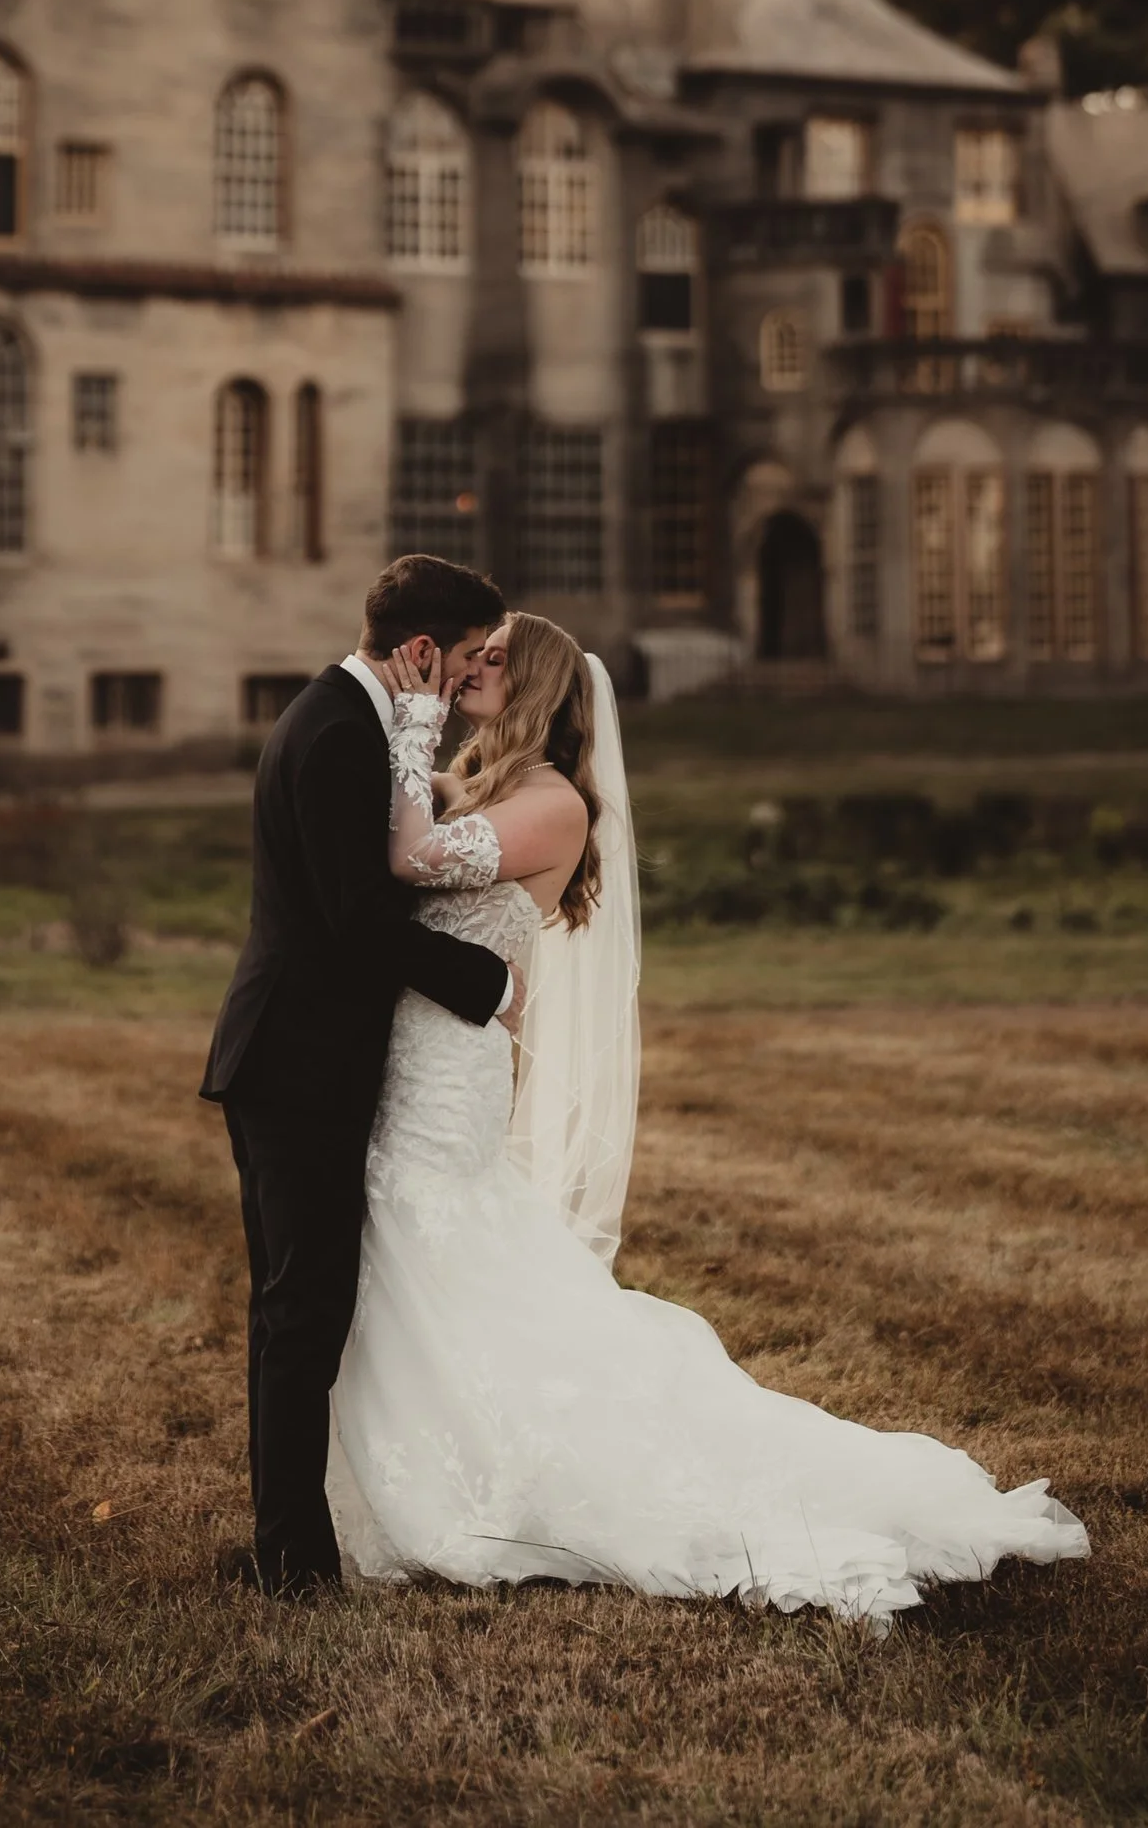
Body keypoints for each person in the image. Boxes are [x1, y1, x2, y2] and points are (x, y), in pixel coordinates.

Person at [324, 611, 1091, 1623]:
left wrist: (410, 721)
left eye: (499, 657)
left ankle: (490, 1482)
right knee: (415, 1246)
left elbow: (410, 859)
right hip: (416, 1050)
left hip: (448, 1072)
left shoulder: (554, 804)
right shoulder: (487, 787)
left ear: (542, 688)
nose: (477, 664)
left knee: (431, 1232)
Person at [200, 553, 515, 1597]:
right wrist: (487, 978)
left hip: (296, 1054)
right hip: (297, 1061)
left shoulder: (341, 719)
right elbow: (356, 918)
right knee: (303, 1313)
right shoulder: (335, 732)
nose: (470, 676)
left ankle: (285, 1544)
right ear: (421, 651)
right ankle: (290, 1562)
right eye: (466, 656)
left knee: (295, 1309)